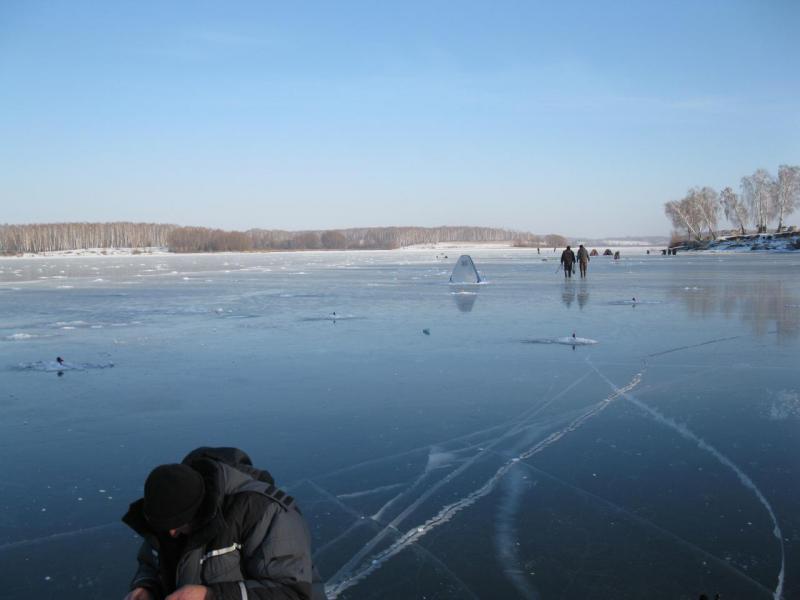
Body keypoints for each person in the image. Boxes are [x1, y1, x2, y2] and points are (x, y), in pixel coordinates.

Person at [122, 447, 326, 600]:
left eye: (179, 524)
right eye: (164, 528)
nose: (172, 533)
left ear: (198, 509)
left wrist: (211, 595)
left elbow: (293, 594)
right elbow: (151, 562)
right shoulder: (166, 517)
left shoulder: (266, 513)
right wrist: (146, 587)